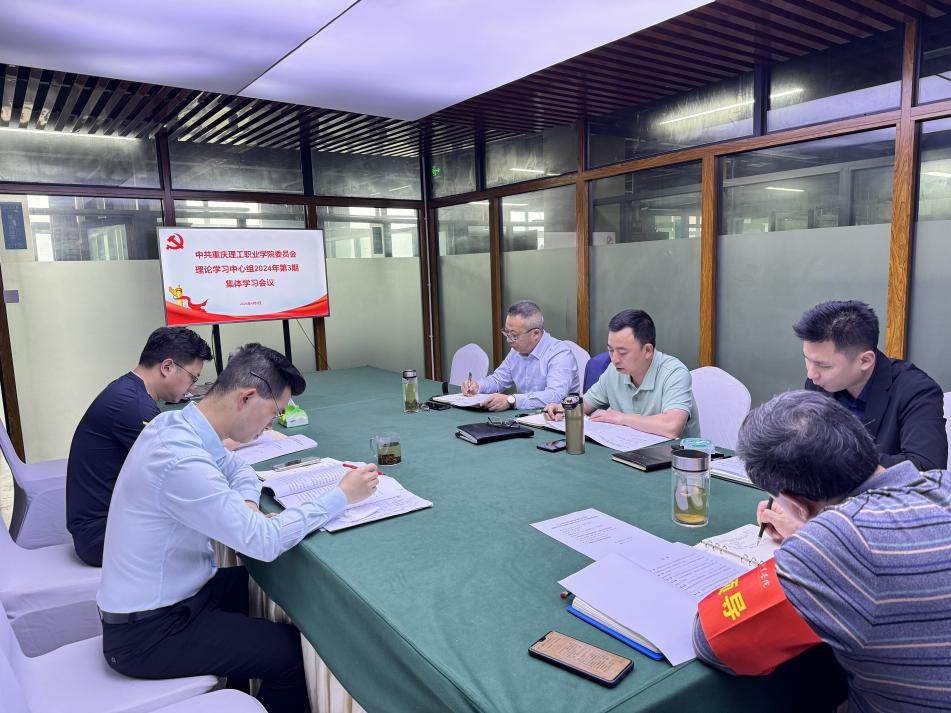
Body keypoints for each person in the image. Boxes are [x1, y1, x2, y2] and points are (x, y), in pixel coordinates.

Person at [96, 343, 378, 713]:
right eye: (274, 411)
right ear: (246, 397)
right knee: (289, 653)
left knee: (256, 587)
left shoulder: (178, 424)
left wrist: (247, 504)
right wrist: (341, 496)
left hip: (176, 599)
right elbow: (262, 540)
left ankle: (242, 692)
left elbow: (238, 469)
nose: (271, 424)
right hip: (148, 634)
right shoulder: (179, 460)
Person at [692, 390, 951, 712]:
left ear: (796, 504)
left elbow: (713, 642)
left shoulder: (836, 544)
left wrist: (811, 541)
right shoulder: (941, 482)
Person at [66, 326, 212, 566]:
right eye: (193, 378)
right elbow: (182, 466)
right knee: (204, 529)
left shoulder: (129, 390)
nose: (192, 387)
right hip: (102, 538)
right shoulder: (133, 406)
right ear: (167, 367)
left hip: (105, 523)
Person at [794, 299, 947, 472]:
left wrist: (836, 457)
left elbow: (927, 468)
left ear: (865, 361)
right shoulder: (818, 383)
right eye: (807, 359)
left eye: (824, 365)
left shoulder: (916, 391)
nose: (811, 374)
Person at [544, 309, 699, 439]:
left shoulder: (674, 373)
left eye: (623, 352)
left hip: (674, 459)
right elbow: (586, 404)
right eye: (610, 350)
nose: (615, 359)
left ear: (647, 350)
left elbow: (671, 427)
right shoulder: (614, 370)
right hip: (629, 450)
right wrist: (563, 408)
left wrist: (621, 418)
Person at [461, 300, 579, 411]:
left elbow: (555, 396)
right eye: (506, 332)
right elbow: (498, 380)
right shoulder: (516, 350)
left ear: (535, 334)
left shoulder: (560, 353)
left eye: (514, 335)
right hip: (524, 416)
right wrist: (477, 386)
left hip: (559, 419)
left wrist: (512, 400)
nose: (508, 340)